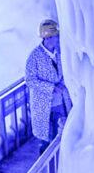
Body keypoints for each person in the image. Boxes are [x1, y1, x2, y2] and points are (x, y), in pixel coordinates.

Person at [25, 19, 72, 153]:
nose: (57, 39)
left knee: (63, 134)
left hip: (61, 102)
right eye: (54, 36)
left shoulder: (59, 53)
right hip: (43, 105)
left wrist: (62, 85)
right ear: (47, 37)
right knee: (46, 140)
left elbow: (64, 73)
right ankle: (46, 167)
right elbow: (30, 80)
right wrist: (51, 88)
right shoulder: (34, 56)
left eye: (57, 36)